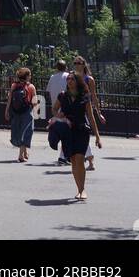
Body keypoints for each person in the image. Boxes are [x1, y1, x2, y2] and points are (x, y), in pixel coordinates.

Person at [53, 72, 102, 201]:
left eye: (72, 79)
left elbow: (90, 117)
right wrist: (60, 116)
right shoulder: (62, 96)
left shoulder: (84, 97)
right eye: (68, 79)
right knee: (73, 161)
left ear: (77, 81)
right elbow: (54, 109)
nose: (69, 81)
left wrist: (97, 136)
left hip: (81, 130)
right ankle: (78, 189)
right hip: (68, 131)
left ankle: (82, 189)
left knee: (80, 159)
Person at [70, 56, 105, 172]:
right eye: (75, 63)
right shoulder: (72, 77)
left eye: (79, 63)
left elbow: (94, 96)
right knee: (78, 134)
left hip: (85, 108)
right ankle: (88, 159)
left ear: (84, 64)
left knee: (81, 133)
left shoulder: (89, 79)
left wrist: (98, 113)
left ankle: (89, 159)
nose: (76, 65)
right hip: (75, 108)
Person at [5, 66, 38, 161]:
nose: (31, 76)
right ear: (27, 76)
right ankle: (20, 156)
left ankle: (24, 152)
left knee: (19, 132)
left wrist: (7, 111)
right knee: (26, 132)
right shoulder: (31, 87)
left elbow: (10, 99)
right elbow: (34, 101)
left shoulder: (14, 86)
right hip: (27, 112)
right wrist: (36, 111)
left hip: (15, 112)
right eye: (30, 75)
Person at [45, 59, 70, 165]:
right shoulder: (68, 77)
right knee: (67, 133)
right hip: (65, 108)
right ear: (66, 67)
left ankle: (65, 155)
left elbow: (48, 92)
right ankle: (63, 156)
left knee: (62, 132)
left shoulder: (52, 77)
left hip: (55, 107)